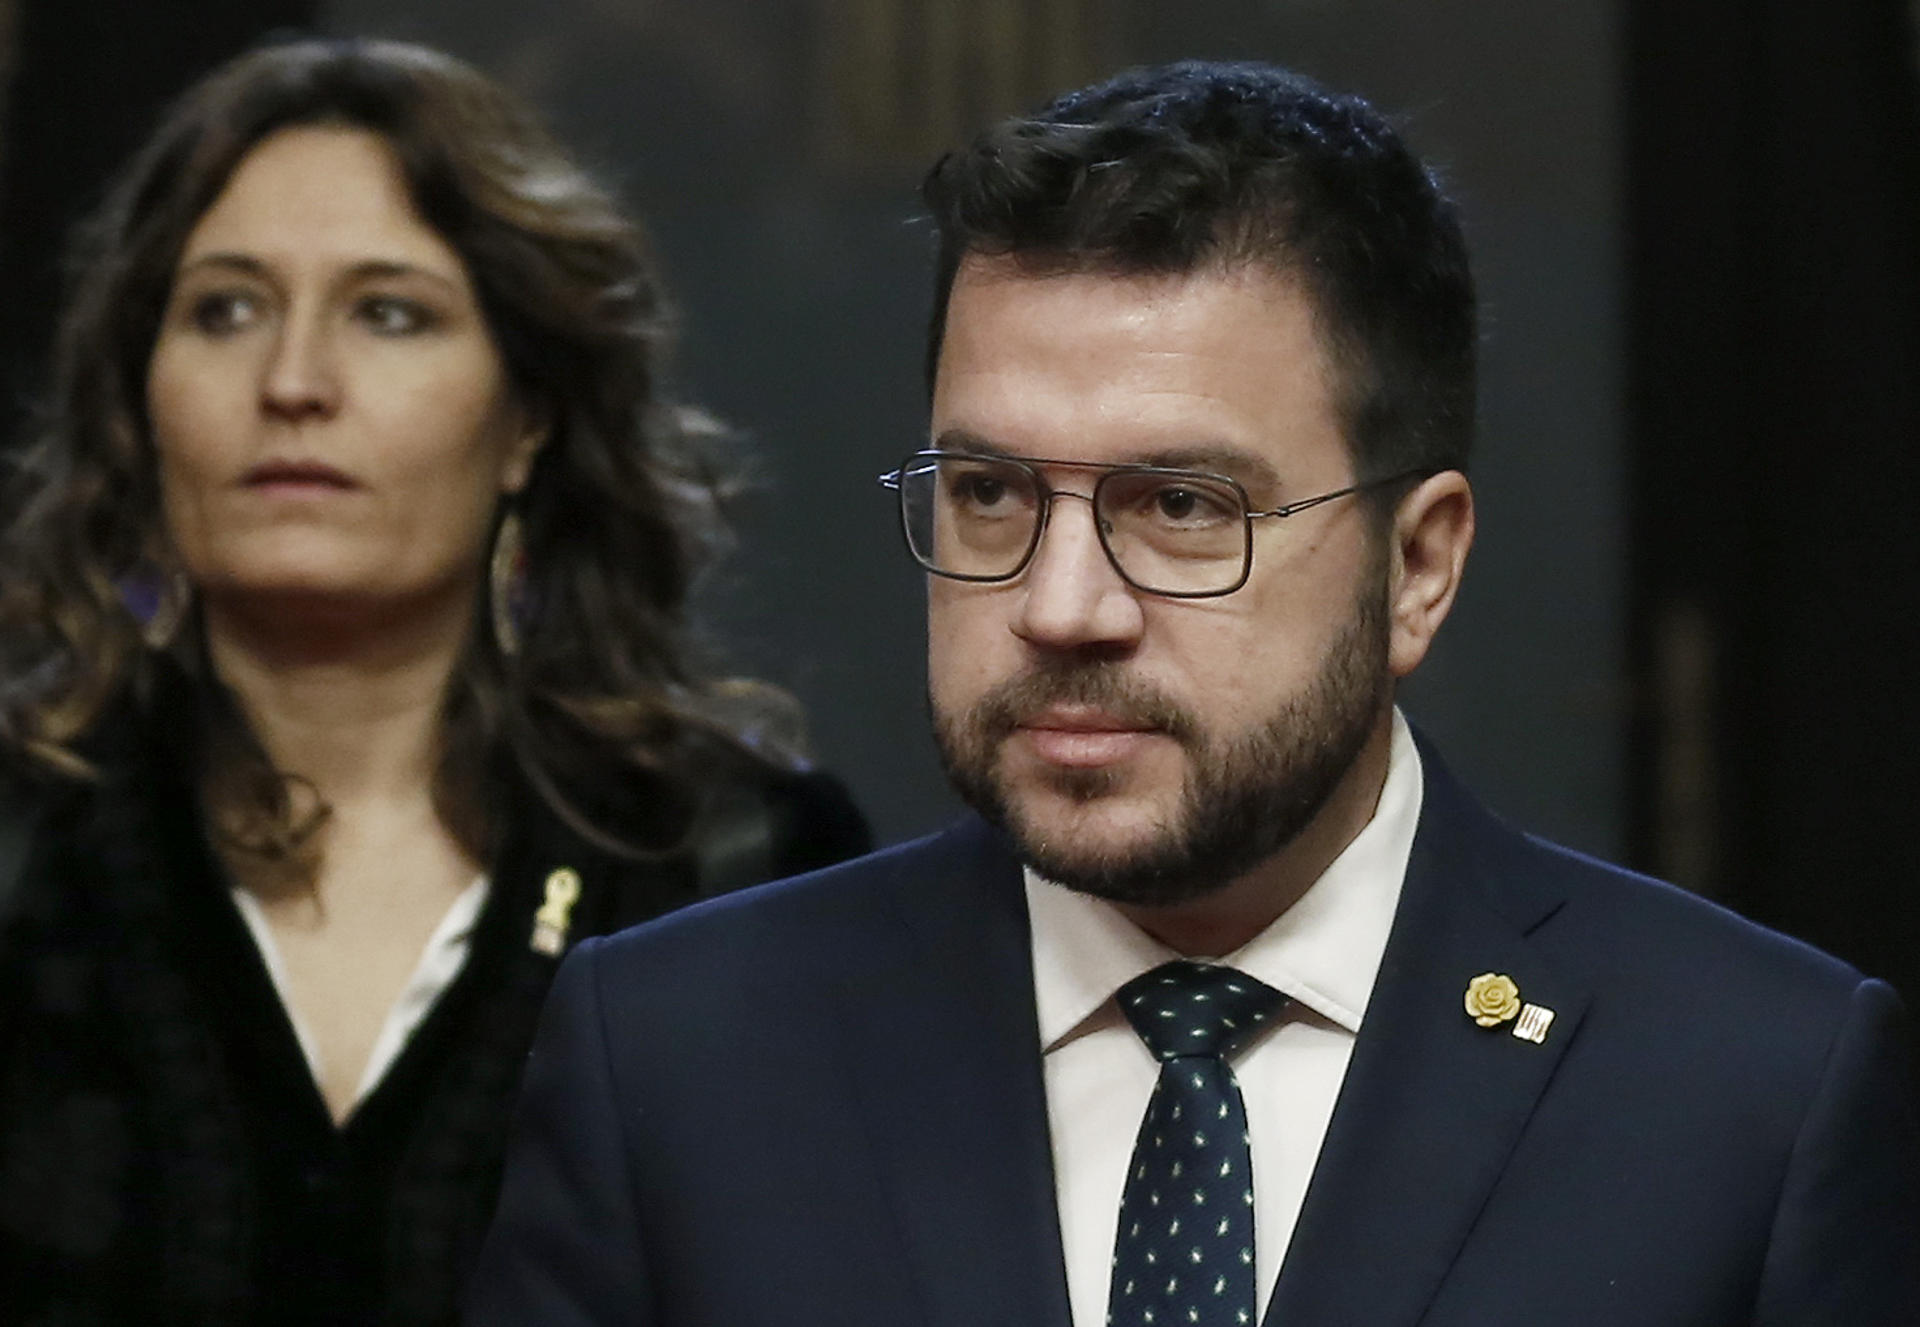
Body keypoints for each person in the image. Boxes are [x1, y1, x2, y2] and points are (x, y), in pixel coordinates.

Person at [469, 60, 1919, 1325]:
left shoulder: (1746, 1096)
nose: (1059, 607)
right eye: (988, 494)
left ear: (1417, 568)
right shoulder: (679, 1063)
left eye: (1180, 506)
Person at [0, 37, 868, 1326]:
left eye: (388, 312)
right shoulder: (24, 842)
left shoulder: (733, 868)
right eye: (225, 309)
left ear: (527, 417)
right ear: (141, 397)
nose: (292, 383)